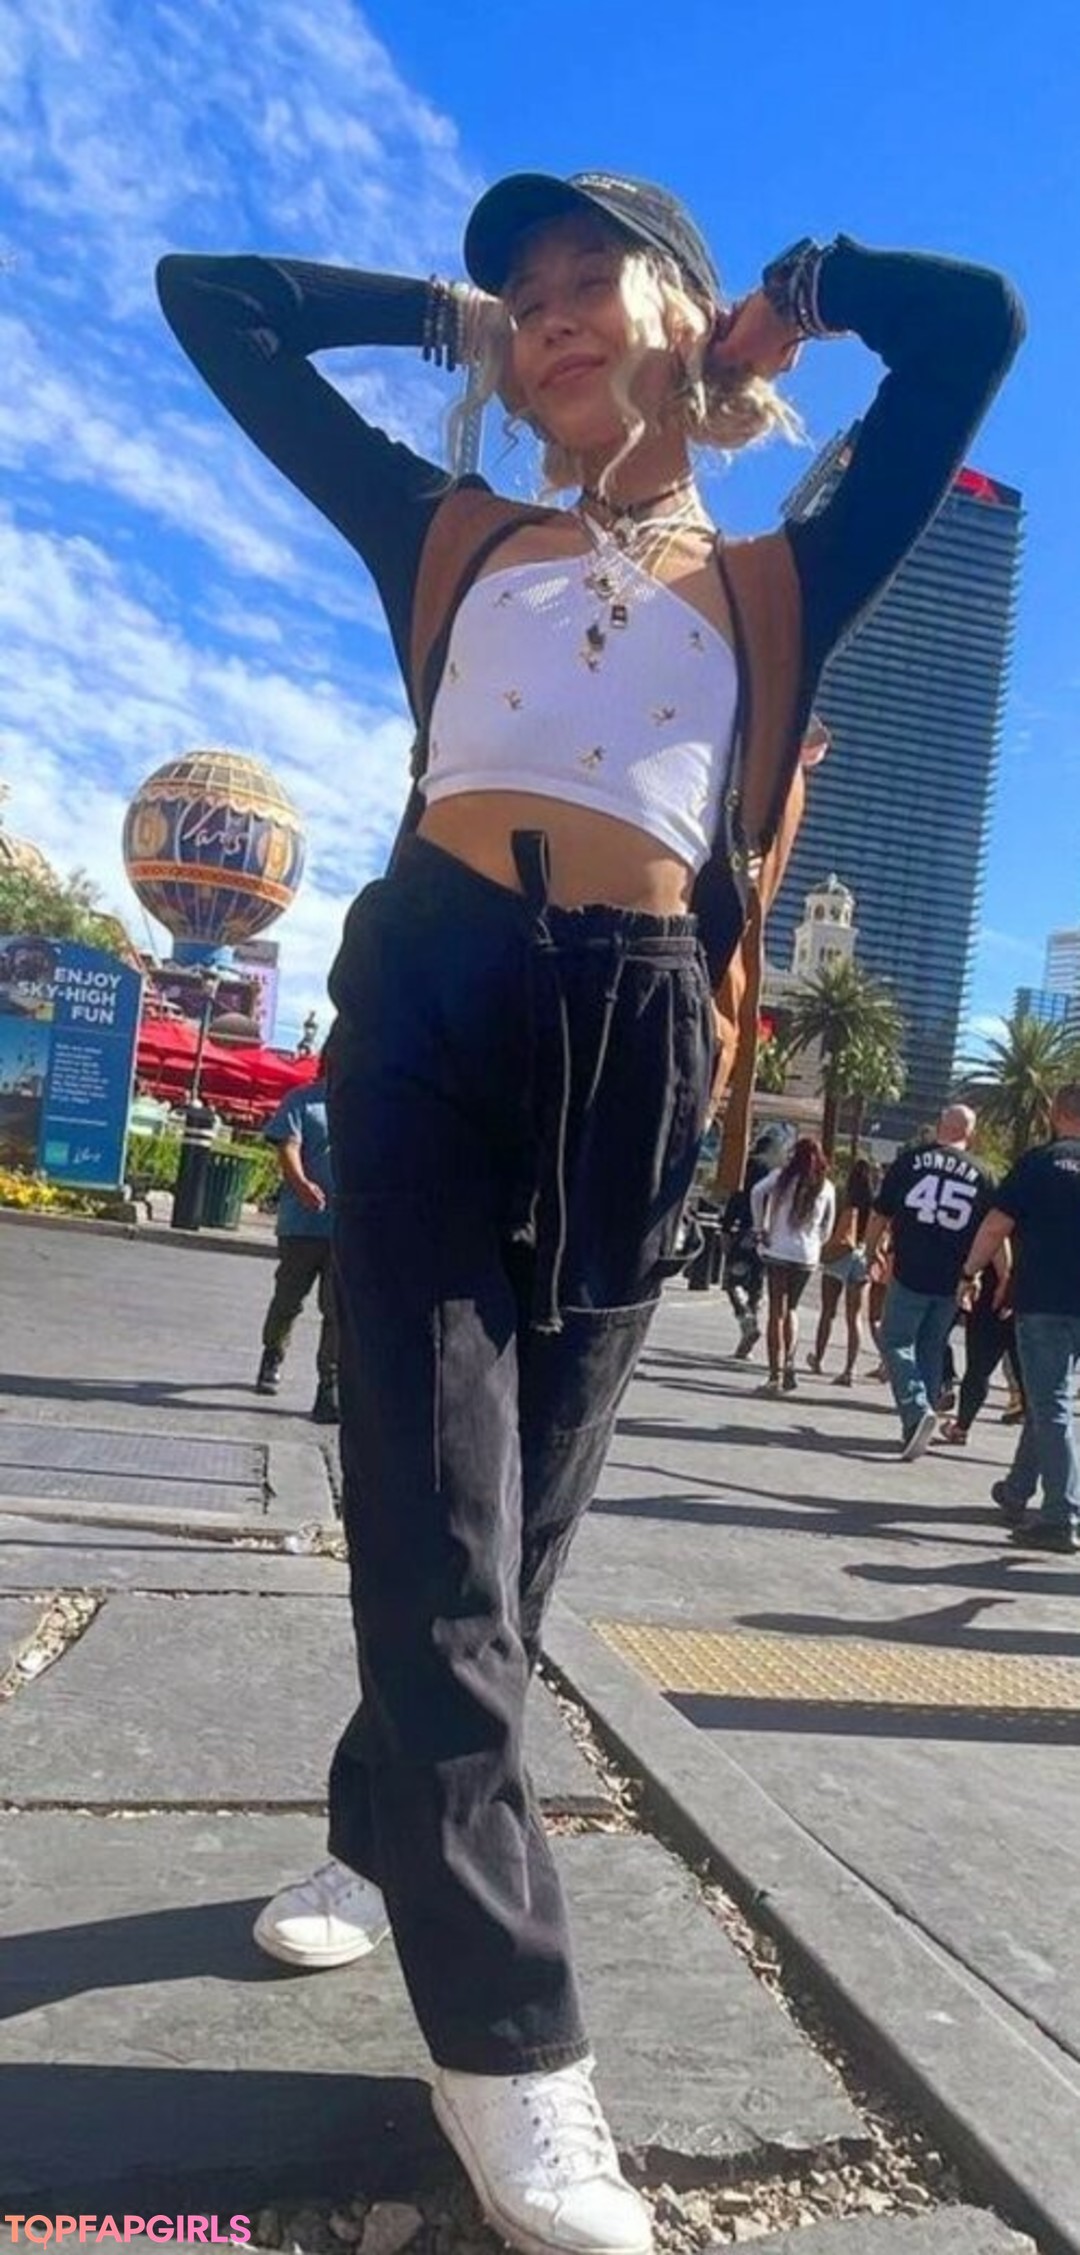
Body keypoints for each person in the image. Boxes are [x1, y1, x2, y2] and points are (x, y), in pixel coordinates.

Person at [157, 175, 1022, 2255]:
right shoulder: (450, 530)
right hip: (434, 995)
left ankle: (380, 1830)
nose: (544, 311)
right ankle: (519, 2046)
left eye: (582, 279)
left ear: (682, 310)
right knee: (429, 1495)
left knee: (524, 1518)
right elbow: (215, 300)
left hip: (639, 1034)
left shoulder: (787, 575)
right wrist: (436, 318)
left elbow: (976, 328)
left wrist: (796, 302)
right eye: (517, 295)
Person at [961, 1082, 1080, 1554]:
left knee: (1050, 1404)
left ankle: (1061, 1515)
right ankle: (1016, 1490)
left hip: (1044, 1300)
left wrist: (969, 1271)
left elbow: (996, 1225)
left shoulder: (1038, 1163)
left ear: (1055, 1113)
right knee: (1049, 1397)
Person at [864, 1105, 999, 1460]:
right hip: (954, 1277)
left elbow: (880, 1212)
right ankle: (916, 1423)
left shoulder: (910, 1161)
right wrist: (996, 1274)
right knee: (931, 1345)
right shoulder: (984, 1174)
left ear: (940, 1126)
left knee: (894, 1340)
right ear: (971, 1132)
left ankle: (915, 1409)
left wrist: (871, 1250)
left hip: (911, 1269)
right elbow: (994, 1230)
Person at [257, 1063, 339, 1423]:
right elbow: (288, 1146)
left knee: (337, 1310)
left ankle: (328, 1386)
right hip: (301, 1226)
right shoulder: (302, 1100)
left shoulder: (364, 1103)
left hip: (345, 1230)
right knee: (288, 1300)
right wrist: (302, 1184)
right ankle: (273, 1353)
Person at [750, 1137, 835, 1394]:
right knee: (792, 1309)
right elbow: (828, 1225)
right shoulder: (826, 1186)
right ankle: (790, 1362)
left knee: (776, 1310)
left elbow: (756, 1193)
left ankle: (774, 1375)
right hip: (806, 1254)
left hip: (778, 1248)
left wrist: (760, 1228)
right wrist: (817, 1241)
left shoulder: (781, 1177)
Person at [808, 1156, 875, 1384]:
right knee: (854, 1316)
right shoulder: (874, 1203)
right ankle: (850, 1369)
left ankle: (818, 1358)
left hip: (840, 1253)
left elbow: (830, 1227)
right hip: (862, 1255)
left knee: (828, 1311)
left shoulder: (843, 1198)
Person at [720, 1127, 785, 1359]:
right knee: (757, 1284)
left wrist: (726, 1227)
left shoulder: (747, 1167)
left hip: (746, 1230)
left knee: (733, 1279)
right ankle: (748, 1335)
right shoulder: (780, 1174)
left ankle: (746, 1321)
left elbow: (737, 1197)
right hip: (770, 1236)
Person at [937, 1264, 1019, 1445]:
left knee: (978, 1368)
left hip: (993, 1293)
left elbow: (991, 1245)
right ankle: (1041, 1440)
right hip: (1033, 1296)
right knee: (1027, 1376)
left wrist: (968, 1275)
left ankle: (961, 1427)